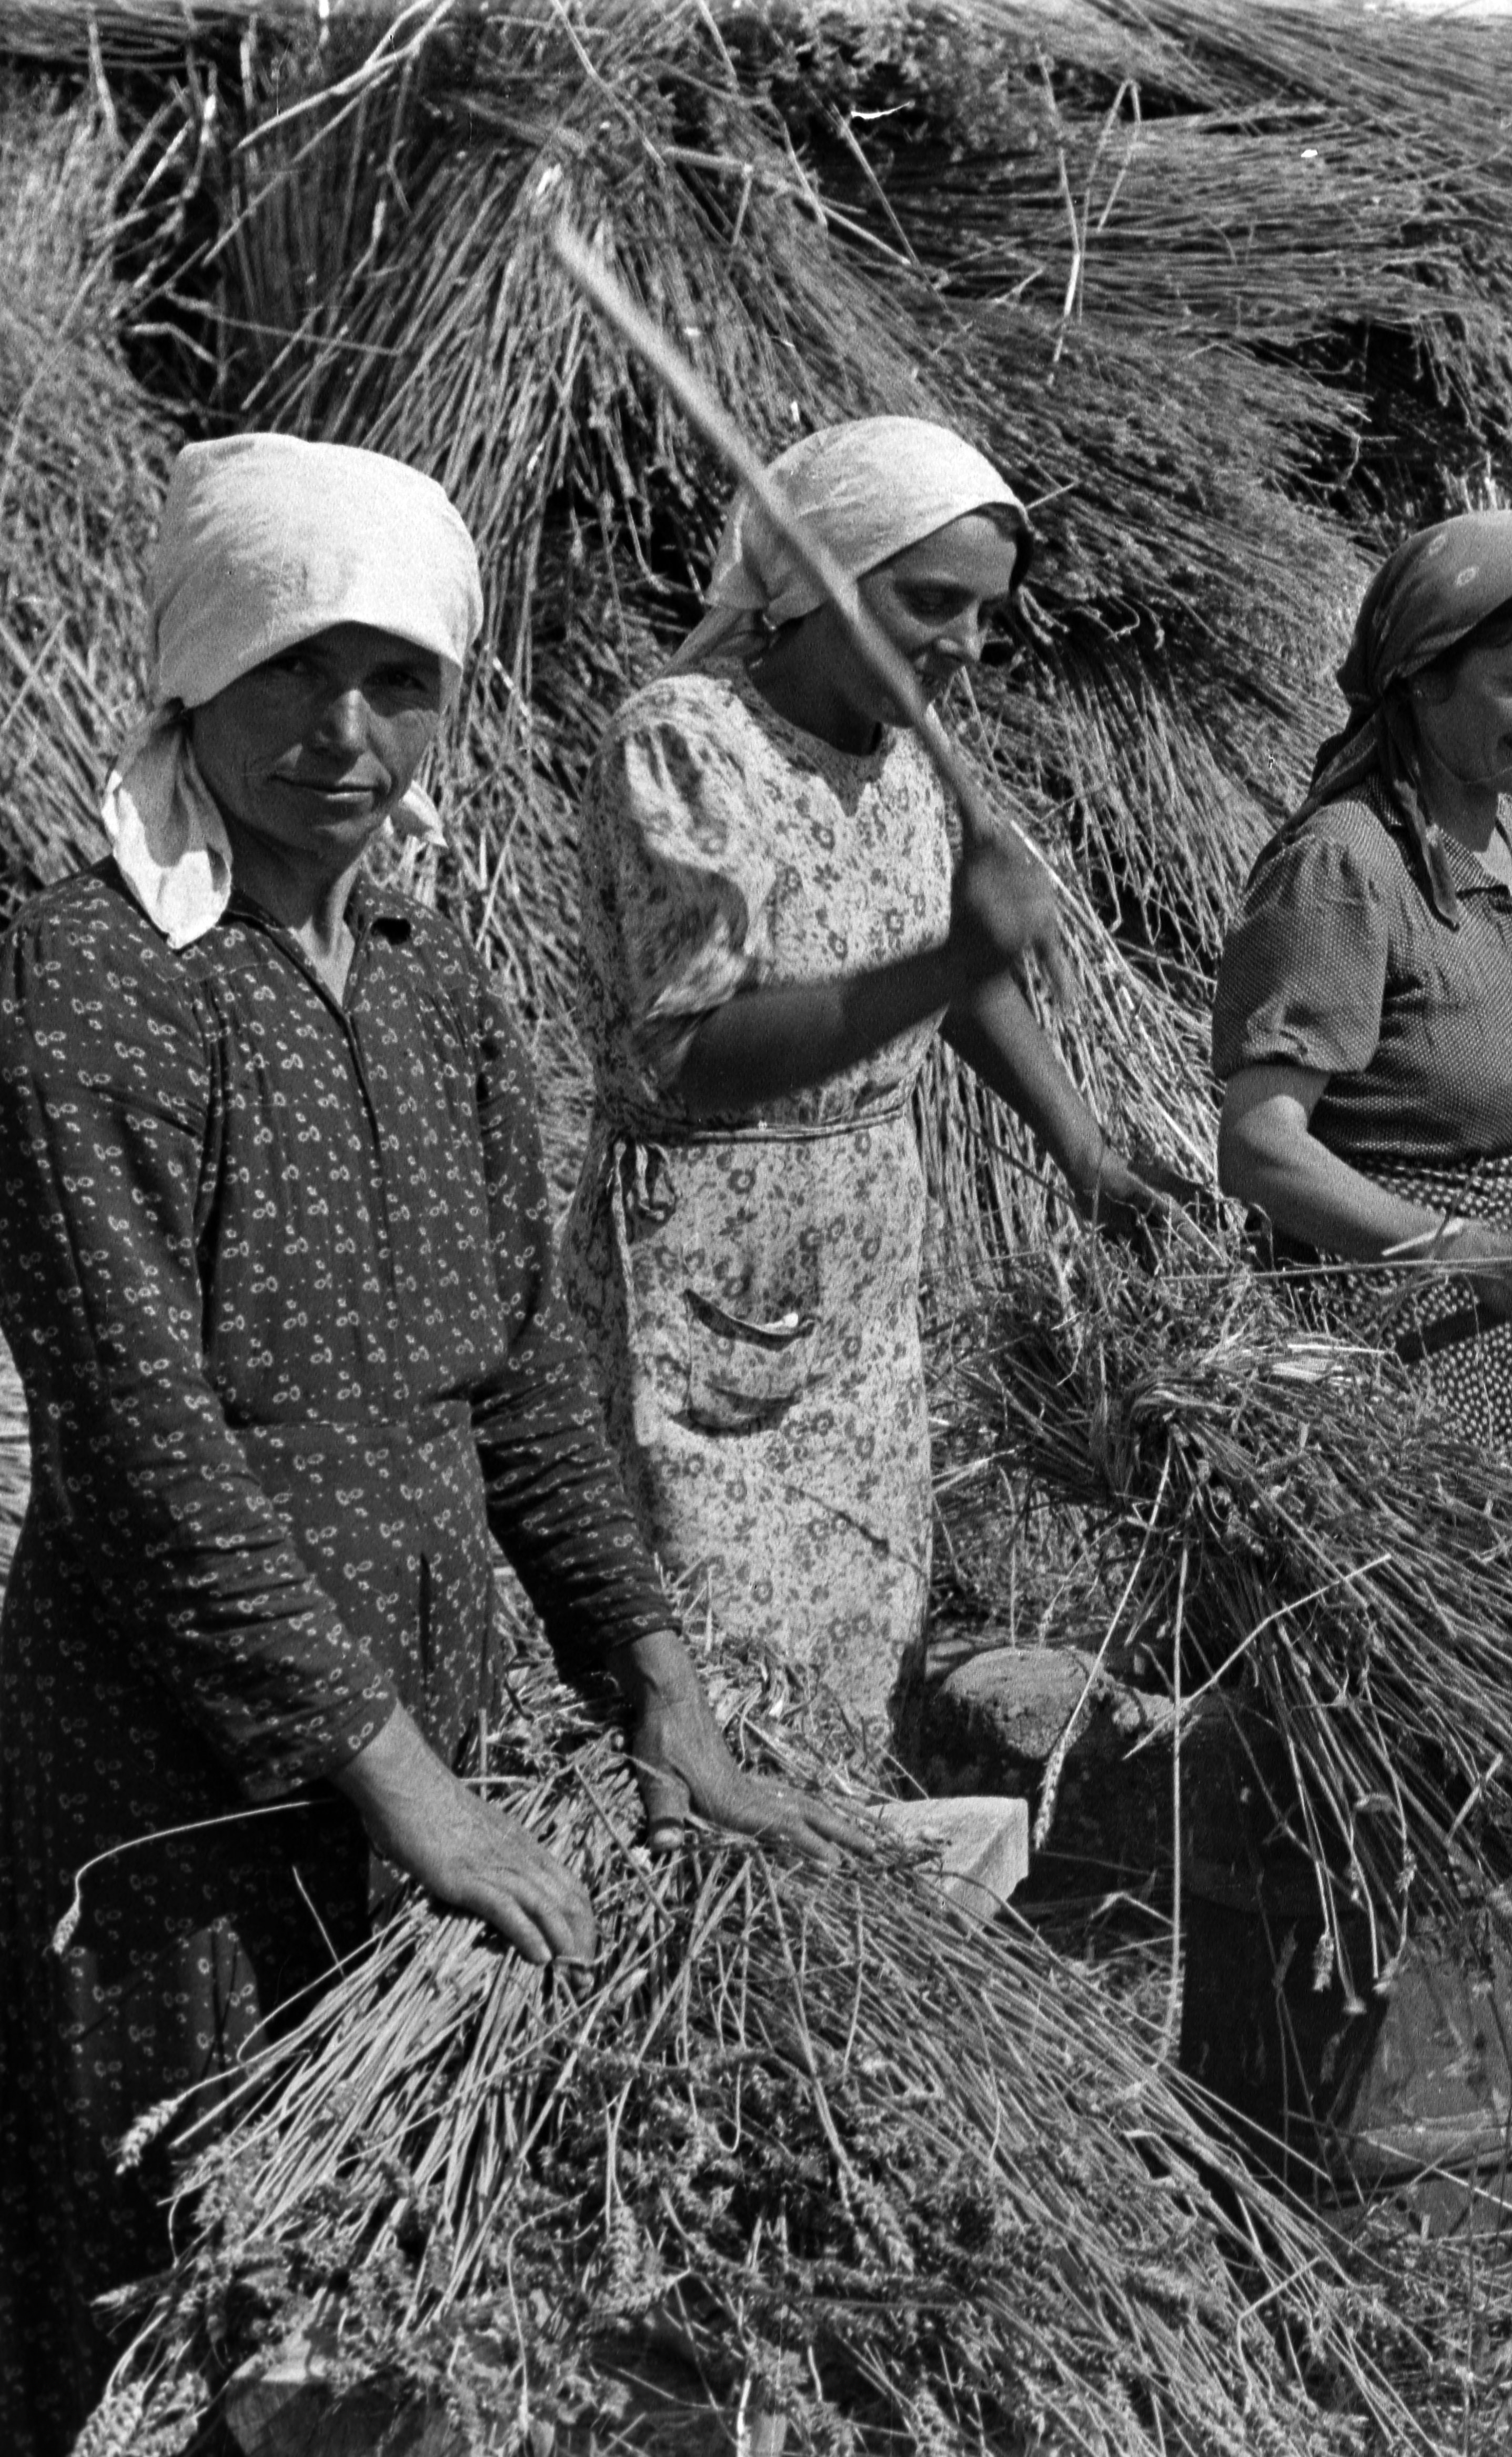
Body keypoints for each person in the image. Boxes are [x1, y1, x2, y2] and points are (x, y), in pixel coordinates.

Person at [0, 435, 876, 2452]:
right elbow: (143, 1450)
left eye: (402, 680)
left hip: (424, 1703)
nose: (345, 730)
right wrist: (394, 1783)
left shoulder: (428, 979)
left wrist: (659, 1692)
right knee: (179, 2249)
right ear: (194, 673)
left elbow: (520, 1378)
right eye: (295, 668)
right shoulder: (89, 981)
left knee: (377, 2284)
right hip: (171, 1760)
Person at [568, 415, 1177, 1756]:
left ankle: (847, 1920)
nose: (962, 644)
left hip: (856, 1283)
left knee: (858, 1632)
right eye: (929, 602)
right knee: (719, 1659)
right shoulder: (686, 745)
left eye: (984, 616)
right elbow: (692, 1051)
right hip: (708, 1262)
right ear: (818, 578)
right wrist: (955, 948)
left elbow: (956, 985)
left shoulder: (905, 760)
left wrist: (1086, 1153)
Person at [1213, 507, 1512, 1462]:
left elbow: (1482, 1036)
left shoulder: (1496, 829)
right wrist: (1461, 1249)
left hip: (1498, 1326)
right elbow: (1256, 1148)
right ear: (1424, 676)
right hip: (1387, 1349)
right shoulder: (1344, 868)